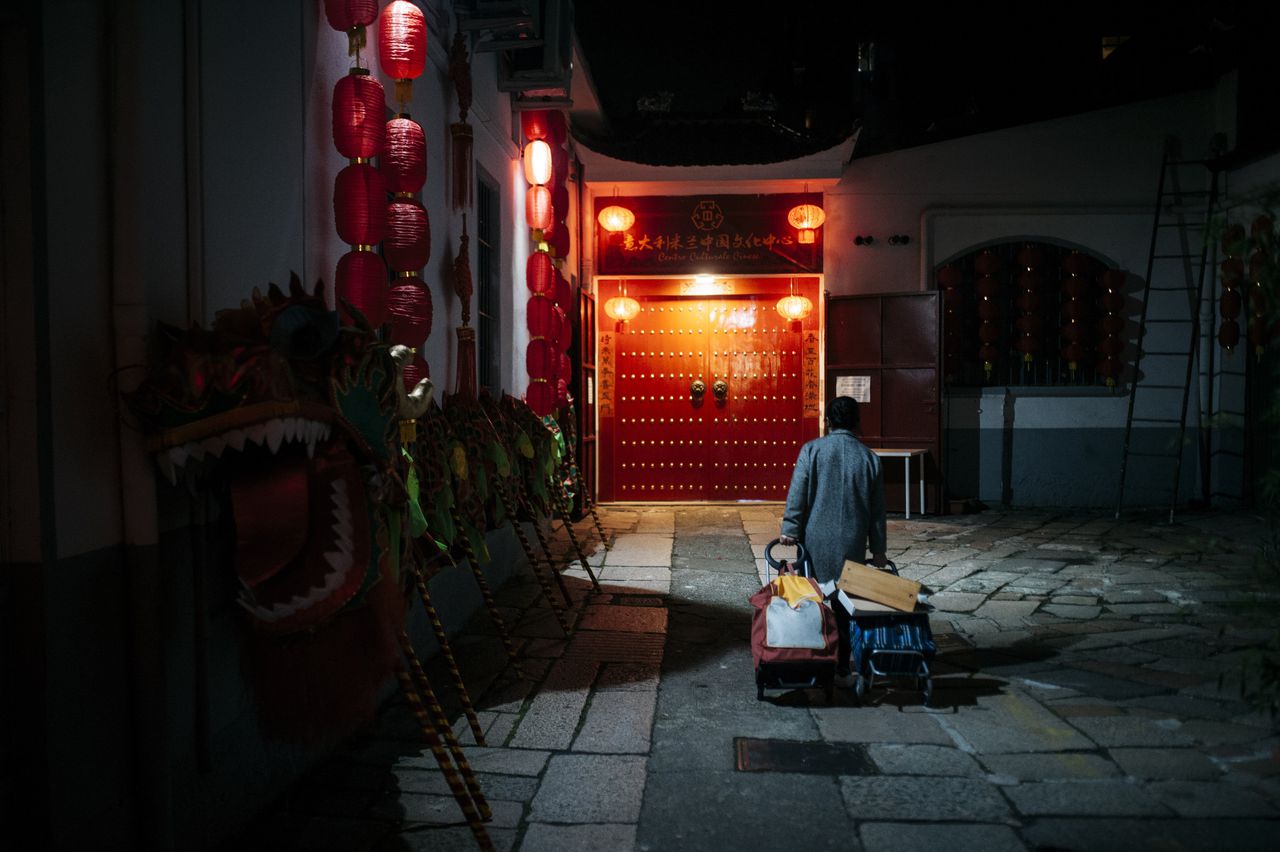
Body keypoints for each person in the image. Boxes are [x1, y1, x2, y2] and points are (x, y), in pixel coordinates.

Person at [779, 395, 887, 681]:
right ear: (857, 423)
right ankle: (842, 661)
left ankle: (815, 655)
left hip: (815, 540)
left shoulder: (812, 451)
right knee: (845, 603)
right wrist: (878, 550)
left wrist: (790, 529)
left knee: (814, 597)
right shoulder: (869, 459)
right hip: (852, 541)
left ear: (828, 421)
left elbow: (798, 493)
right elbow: (877, 513)